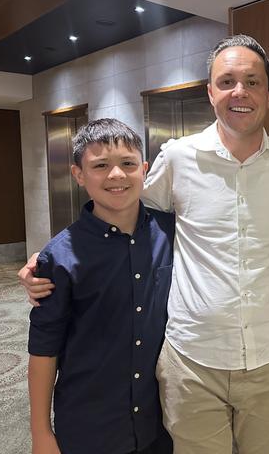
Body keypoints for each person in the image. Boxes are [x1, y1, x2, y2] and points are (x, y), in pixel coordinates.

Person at [21, 34, 269, 454]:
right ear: (210, 92)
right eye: (226, 81)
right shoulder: (178, 157)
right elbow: (124, 213)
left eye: (252, 81)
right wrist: (55, 258)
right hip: (192, 360)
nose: (239, 92)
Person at [27, 119, 174, 454]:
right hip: (90, 425)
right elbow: (43, 349)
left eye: (127, 164)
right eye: (100, 166)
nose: (117, 175)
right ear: (78, 174)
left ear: (145, 169)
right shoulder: (59, 257)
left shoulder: (172, 233)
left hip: (159, 422)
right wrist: (40, 433)